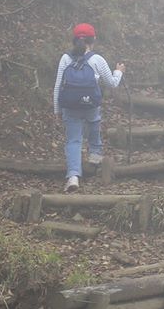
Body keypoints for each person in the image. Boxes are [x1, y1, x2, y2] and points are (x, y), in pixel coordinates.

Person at [53, 23, 125, 192]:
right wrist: (119, 71)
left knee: (73, 140)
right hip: (91, 105)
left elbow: (58, 86)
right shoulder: (96, 59)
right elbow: (112, 84)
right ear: (93, 40)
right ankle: (95, 158)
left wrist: (57, 109)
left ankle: (73, 176)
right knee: (94, 124)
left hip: (70, 106)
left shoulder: (65, 58)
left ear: (74, 40)